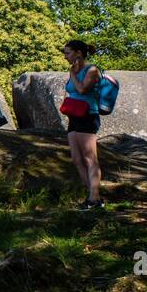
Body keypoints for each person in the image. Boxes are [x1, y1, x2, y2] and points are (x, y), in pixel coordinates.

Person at [61, 39, 104, 209]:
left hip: (88, 115)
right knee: (77, 159)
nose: (65, 56)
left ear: (78, 53)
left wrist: (72, 74)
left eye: (68, 53)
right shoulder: (75, 69)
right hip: (74, 116)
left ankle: (94, 199)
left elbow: (82, 90)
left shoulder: (91, 70)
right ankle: (92, 197)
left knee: (89, 158)